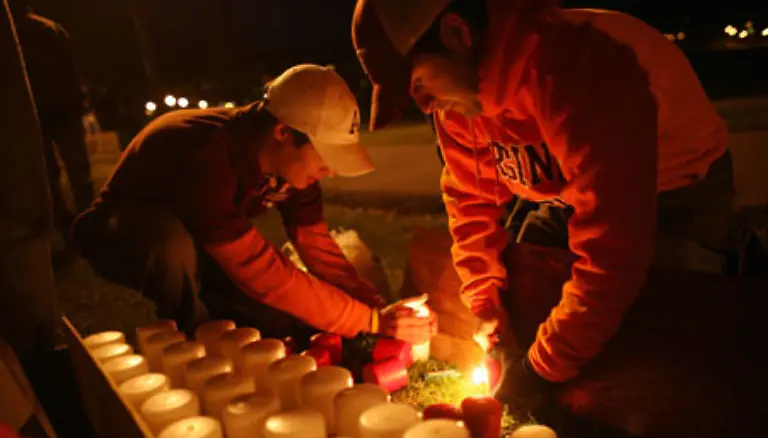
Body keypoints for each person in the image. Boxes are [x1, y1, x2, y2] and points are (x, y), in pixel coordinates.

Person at [352, 0, 743, 403]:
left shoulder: (583, 65)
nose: (425, 106)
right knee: (529, 286)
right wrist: (486, 302)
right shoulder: (458, 99)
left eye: (418, 83)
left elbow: (613, 252)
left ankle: (730, 250)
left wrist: (541, 368)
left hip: (676, 188)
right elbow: (470, 202)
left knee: (667, 330)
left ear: (457, 35)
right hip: (565, 197)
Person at [72, 64, 435, 344]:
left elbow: (317, 247)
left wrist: (376, 308)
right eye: (325, 156)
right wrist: (369, 323)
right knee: (170, 247)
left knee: (277, 321)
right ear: (282, 133)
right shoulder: (202, 153)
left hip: (204, 240)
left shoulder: (293, 168)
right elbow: (258, 269)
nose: (331, 171)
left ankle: (216, 319)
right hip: (122, 232)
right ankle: (189, 341)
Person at [9, 0, 94, 236]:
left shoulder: (11, 37)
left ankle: (64, 223)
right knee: (79, 171)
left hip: (37, 115)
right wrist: (80, 102)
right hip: (64, 110)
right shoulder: (50, 29)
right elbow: (72, 69)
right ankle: (88, 219)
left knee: (48, 176)